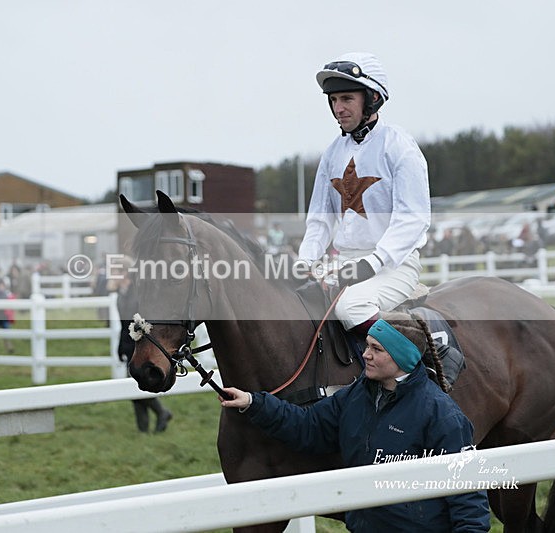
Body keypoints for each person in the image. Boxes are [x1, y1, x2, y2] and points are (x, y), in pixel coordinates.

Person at [219, 312, 490, 532]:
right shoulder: (356, 395)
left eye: (376, 349)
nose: (365, 355)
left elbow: (469, 503)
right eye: (367, 346)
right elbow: (307, 426)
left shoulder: (442, 416)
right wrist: (254, 403)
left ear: (401, 358)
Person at [294, 52, 430, 336]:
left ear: (372, 99)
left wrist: (373, 262)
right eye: (333, 100)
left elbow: (413, 220)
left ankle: (410, 370)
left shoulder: (400, 147)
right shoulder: (332, 154)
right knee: (295, 305)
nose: (338, 108)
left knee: (350, 308)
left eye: (346, 99)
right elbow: (320, 222)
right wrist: (304, 263)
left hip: (394, 265)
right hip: (344, 263)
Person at [115, 259, 172, 433]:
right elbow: (123, 324)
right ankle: (144, 429)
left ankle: (161, 413)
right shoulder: (122, 292)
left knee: (135, 386)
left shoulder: (137, 292)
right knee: (134, 388)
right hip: (127, 342)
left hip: (139, 344)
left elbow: (142, 321)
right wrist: (120, 346)